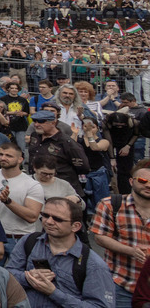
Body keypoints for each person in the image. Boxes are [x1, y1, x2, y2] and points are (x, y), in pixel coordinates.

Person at [8, 196, 114, 308]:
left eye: (57, 219)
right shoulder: (29, 242)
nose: (49, 221)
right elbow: (7, 275)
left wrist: (54, 293)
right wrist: (28, 278)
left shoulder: (93, 264)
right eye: (45, 215)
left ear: (76, 226)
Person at [91, 158, 150, 308]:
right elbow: (100, 237)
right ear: (131, 181)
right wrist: (131, 251)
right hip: (120, 282)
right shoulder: (110, 204)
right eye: (143, 180)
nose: (148, 185)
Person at [0, 142, 44, 257]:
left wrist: (8, 202)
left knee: (16, 274)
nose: (3, 158)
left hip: (18, 238)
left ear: (20, 159)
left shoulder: (32, 185)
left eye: (9, 156)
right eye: (1, 154)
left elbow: (32, 217)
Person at [25, 110, 89, 198]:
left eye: (41, 121)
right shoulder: (35, 136)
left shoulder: (67, 143)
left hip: (61, 190)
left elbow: (84, 167)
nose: (36, 124)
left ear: (53, 123)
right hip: (37, 186)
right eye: (35, 121)